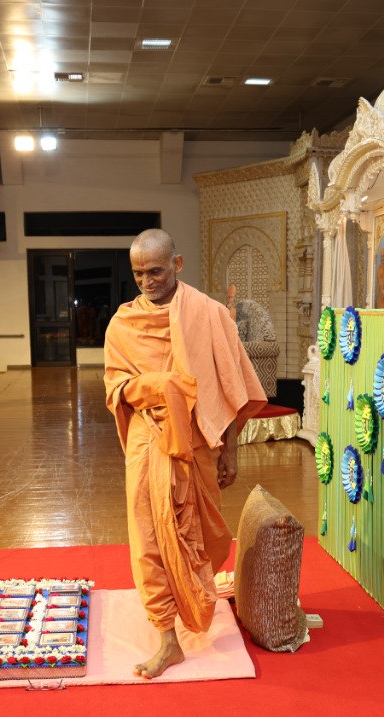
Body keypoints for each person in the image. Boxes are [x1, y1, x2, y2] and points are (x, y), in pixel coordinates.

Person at [103, 229, 266, 679]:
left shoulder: (210, 315)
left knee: (199, 534)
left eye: (155, 271)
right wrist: (158, 387)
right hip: (149, 440)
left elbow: (231, 387)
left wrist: (231, 453)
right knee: (149, 535)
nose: (146, 281)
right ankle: (167, 638)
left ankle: (193, 598)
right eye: (138, 273)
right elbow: (115, 388)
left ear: (177, 264)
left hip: (198, 443)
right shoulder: (122, 324)